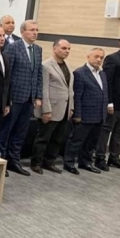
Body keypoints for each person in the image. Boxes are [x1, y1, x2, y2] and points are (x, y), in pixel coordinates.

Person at [0, 20, 42, 176]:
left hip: (29, 98)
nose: (35, 33)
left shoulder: (38, 49)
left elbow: (38, 74)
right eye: (32, 30)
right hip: (15, 96)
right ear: (23, 31)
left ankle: (14, 161)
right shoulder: (13, 47)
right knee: (6, 131)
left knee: (21, 132)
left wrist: (38, 96)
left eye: (36, 30)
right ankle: (1, 161)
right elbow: (7, 75)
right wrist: (7, 99)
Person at [30, 39, 73, 174]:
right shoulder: (46, 65)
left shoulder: (67, 66)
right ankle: (36, 162)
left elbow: (69, 89)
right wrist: (46, 110)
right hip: (50, 109)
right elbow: (44, 90)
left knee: (57, 139)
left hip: (64, 109)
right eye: (64, 48)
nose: (67, 51)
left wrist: (71, 107)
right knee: (43, 138)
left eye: (68, 49)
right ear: (54, 48)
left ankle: (49, 161)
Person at [64, 48, 108, 175]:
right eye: (96, 56)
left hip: (99, 114)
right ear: (88, 57)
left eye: (101, 57)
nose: (99, 59)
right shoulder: (80, 73)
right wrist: (77, 114)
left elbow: (104, 93)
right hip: (85, 114)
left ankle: (85, 162)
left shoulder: (102, 74)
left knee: (91, 141)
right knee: (76, 140)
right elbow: (77, 96)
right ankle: (69, 163)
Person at [97, 35, 120, 170]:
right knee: (106, 130)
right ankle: (100, 157)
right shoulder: (113, 58)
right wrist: (109, 102)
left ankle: (114, 157)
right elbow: (107, 82)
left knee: (119, 131)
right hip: (114, 103)